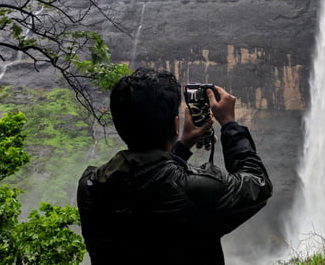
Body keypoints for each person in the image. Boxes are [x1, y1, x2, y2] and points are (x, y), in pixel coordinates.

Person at [77, 68, 272, 264]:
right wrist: (229, 124)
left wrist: (182, 147)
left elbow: (149, 181)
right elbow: (258, 184)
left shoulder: (90, 186)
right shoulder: (197, 190)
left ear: (119, 125)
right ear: (175, 125)